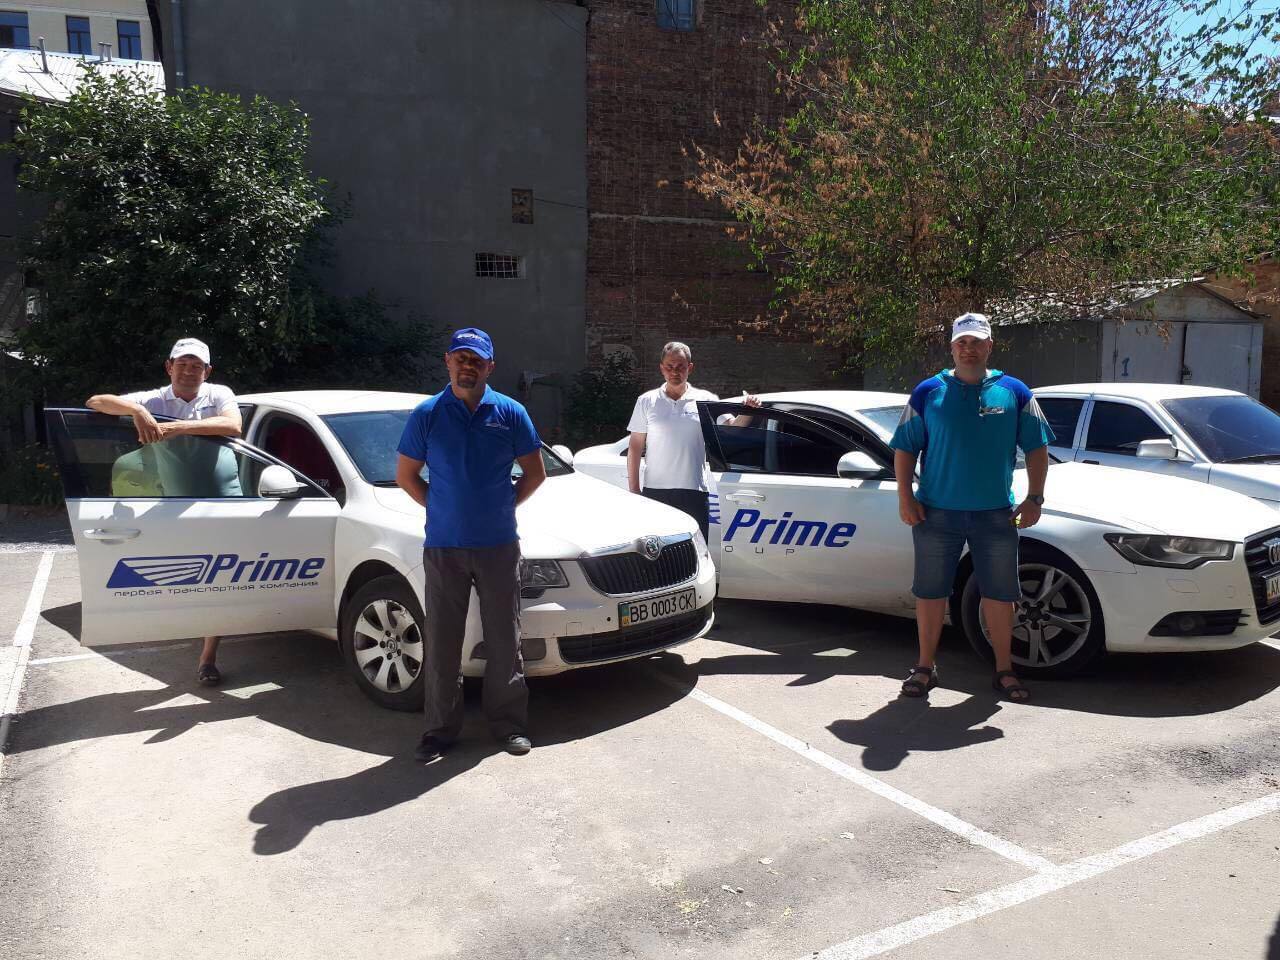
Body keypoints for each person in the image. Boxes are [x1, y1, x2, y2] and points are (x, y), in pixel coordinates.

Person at [396, 327, 546, 763]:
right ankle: (439, 730)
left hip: (499, 545)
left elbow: (535, 473)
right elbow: (406, 476)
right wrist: (439, 506)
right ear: (448, 361)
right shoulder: (427, 414)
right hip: (444, 546)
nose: (468, 366)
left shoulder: (511, 412)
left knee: (505, 639)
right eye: (461, 358)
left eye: (476, 360)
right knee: (443, 641)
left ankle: (509, 725)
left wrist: (502, 505)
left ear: (489, 367)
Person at [889, 313, 1053, 702]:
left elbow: (1037, 447)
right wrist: (905, 497)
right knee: (930, 592)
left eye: (976, 342)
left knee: (1000, 594)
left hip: (995, 514)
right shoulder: (928, 392)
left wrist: (1035, 497)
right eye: (962, 342)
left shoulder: (1015, 391)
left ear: (989, 346)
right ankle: (924, 667)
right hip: (935, 513)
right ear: (952, 347)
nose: (969, 349)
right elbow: (905, 448)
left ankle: (1004, 670)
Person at [86, 337, 243, 686]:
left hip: (224, 502)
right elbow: (95, 402)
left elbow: (233, 426)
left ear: (207, 371)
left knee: (220, 578)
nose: (189, 371)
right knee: (185, 574)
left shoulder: (218, 394)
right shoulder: (154, 399)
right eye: (182, 364)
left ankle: (208, 657)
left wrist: (175, 427)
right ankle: (176, 626)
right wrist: (138, 411)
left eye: (196, 365)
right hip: (174, 503)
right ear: (169, 367)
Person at [626, 342, 759, 539]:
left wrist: (748, 409)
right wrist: (635, 490)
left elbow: (731, 428)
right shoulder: (647, 401)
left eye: (680, 366)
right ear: (662, 368)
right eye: (669, 366)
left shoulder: (705, 400)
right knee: (657, 552)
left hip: (694, 492)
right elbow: (635, 446)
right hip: (655, 491)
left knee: (695, 549)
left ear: (690, 367)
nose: (675, 372)